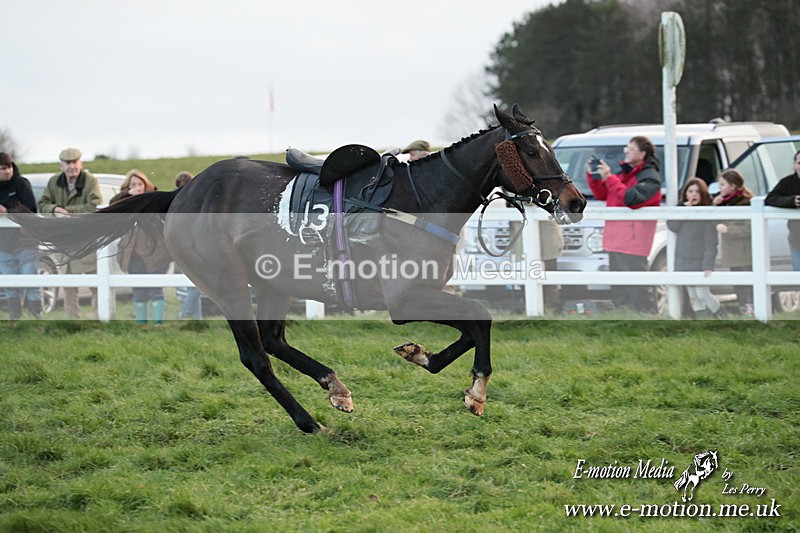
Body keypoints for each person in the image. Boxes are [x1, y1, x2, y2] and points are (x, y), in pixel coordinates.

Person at [587, 136, 662, 313]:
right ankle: (625, 318)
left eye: (631, 148)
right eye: (626, 148)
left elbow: (632, 199)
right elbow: (603, 194)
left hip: (633, 241)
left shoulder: (650, 178)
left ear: (643, 154)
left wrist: (609, 177)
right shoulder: (624, 173)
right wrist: (593, 177)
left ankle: (647, 318)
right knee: (619, 289)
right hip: (616, 239)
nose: (626, 151)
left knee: (638, 289)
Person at [38, 147, 102, 319]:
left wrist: (67, 212)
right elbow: (42, 204)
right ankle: (73, 322)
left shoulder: (90, 181)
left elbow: (94, 205)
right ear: (61, 165)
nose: (71, 166)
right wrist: (54, 209)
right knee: (69, 286)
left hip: (87, 241)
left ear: (81, 163)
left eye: (74, 162)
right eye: (67, 163)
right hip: (64, 242)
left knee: (95, 283)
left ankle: (98, 319)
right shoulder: (54, 182)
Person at [112, 169, 171, 325]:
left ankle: (158, 324)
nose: (137, 187)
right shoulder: (125, 201)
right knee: (138, 292)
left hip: (156, 254)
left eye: (139, 184)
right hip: (133, 256)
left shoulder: (154, 199)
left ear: (145, 185)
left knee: (156, 291)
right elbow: (112, 206)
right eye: (133, 184)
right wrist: (127, 196)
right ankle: (141, 324)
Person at [667, 177, 721, 318]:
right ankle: (702, 319)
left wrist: (708, 265)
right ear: (685, 194)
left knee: (702, 294)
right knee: (693, 296)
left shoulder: (706, 214)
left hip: (699, 261)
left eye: (697, 192)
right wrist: (683, 210)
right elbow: (672, 226)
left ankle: (719, 314)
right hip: (683, 260)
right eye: (690, 191)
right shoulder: (681, 210)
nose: (693, 195)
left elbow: (711, 243)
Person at [0, 152, 42, 319]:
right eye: (3, 168)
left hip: (26, 243)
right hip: (3, 245)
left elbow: (31, 210)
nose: (7, 171)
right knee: (10, 285)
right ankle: (15, 320)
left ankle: (36, 319)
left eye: (9, 167)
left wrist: (7, 211)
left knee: (31, 282)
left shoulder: (22, 184)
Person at [713, 169, 754, 316]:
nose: (720, 188)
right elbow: (713, 222)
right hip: (732, 254)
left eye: (723, 184)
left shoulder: (747, 203)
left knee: (748, 286)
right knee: (738, 285)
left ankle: (751, 312)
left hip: (745, 253)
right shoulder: (723, 203)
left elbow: (749, 229)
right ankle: (744, 311)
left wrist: (728, 230)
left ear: (733, 186)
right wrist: (715, 206)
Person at [173, 170, 203, 319]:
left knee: (195, 287)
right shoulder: (179, 205)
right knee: (192, 287)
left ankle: (190, 317)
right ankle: (189, 317)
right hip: (183, 249)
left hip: (193, 250)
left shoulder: (195, 204)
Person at [765, 150, 800, 271]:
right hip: (797, 240)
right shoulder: (787, 182)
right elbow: (770, 199)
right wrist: (791, 201)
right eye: (799, 163)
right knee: (798, 277)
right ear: (794, 165)